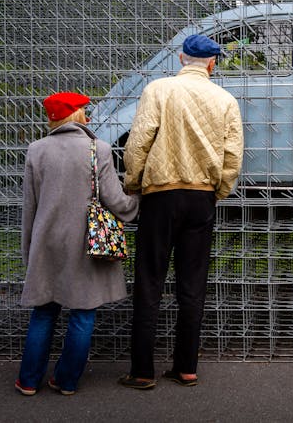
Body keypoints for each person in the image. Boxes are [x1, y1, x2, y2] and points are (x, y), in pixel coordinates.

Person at [118, 34, 244, 389]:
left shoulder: (159, 90)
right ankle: (186, 367)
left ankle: (142, 370)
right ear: (212, 63)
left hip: (161, 195)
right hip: (201, 197)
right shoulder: (225, 100)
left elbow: (139, 140)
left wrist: (133, 183)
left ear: (179, 58)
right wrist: (218, 190)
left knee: (149, 281)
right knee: (192, 283)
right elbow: (232, 155)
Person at [16, 92, 140, 396]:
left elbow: (29, 206)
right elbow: (113, 198)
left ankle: (29, 381)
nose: (89, 116)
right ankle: (66, 381)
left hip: (46, 242)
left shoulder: (36, 150)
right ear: (75, 115)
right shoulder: (97, 149)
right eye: (85, 110)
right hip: (85, 242)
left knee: (44, 312)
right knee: (83, 312)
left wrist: (28, 249)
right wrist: (137, 203)